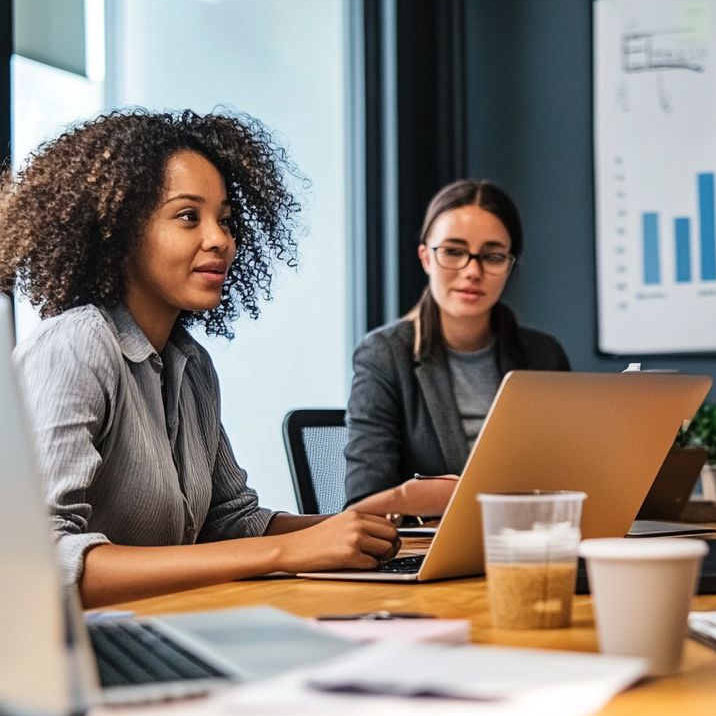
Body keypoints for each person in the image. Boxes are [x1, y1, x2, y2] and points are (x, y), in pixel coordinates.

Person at [0, 109, 437, 608]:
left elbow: (230, 521)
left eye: (225, 220)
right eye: (189, 216)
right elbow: (38, 560)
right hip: (81, 657)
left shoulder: (191, 366)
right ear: (120, 230)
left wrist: (352, 528)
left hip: (169, 627)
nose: (220, 239)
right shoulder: (75, 345)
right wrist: (284, 550)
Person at [344, 179, 569, 506]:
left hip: (529, 537)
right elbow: (363, 504)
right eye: (453, 251)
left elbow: (570, 476)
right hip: (426, 548)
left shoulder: (543, 355)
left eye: (492, 256)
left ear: (509, 266)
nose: (472, 271)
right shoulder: (385, 355)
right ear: (425, 258)